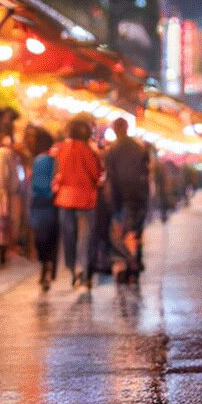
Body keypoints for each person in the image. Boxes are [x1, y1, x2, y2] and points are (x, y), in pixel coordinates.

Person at [52, 115, 103, 290]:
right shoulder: (89, 151)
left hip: (65, 199)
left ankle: (73, 269)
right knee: (86, 237)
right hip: (86, 199)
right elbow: (96, 174)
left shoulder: (61, 150)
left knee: (69, 237)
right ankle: (84, 270)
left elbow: (57, 175)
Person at [104, 117, 150, 285]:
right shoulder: (138, 148)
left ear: (116, 130)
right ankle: (136, 260)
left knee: (124, 233)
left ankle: (130, 263)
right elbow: (145, 171)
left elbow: (110, 175)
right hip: (139, 196)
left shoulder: (113, 151)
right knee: (136, 231)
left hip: (122, 197)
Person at [27, 127, 59, 290]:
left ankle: (45, 268)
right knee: (50, 238)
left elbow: (36, 184)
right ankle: (48, 268)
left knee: (42, 239)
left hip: (41, 204)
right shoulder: (52, 160)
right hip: (49, 204)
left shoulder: (40, 160)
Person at [0, 130, 21, 266]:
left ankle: (0, 253)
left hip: (0, 195)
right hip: (7, 195)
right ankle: (2, 254)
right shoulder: (9, 155)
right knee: (4, 226)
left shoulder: (0, 154)